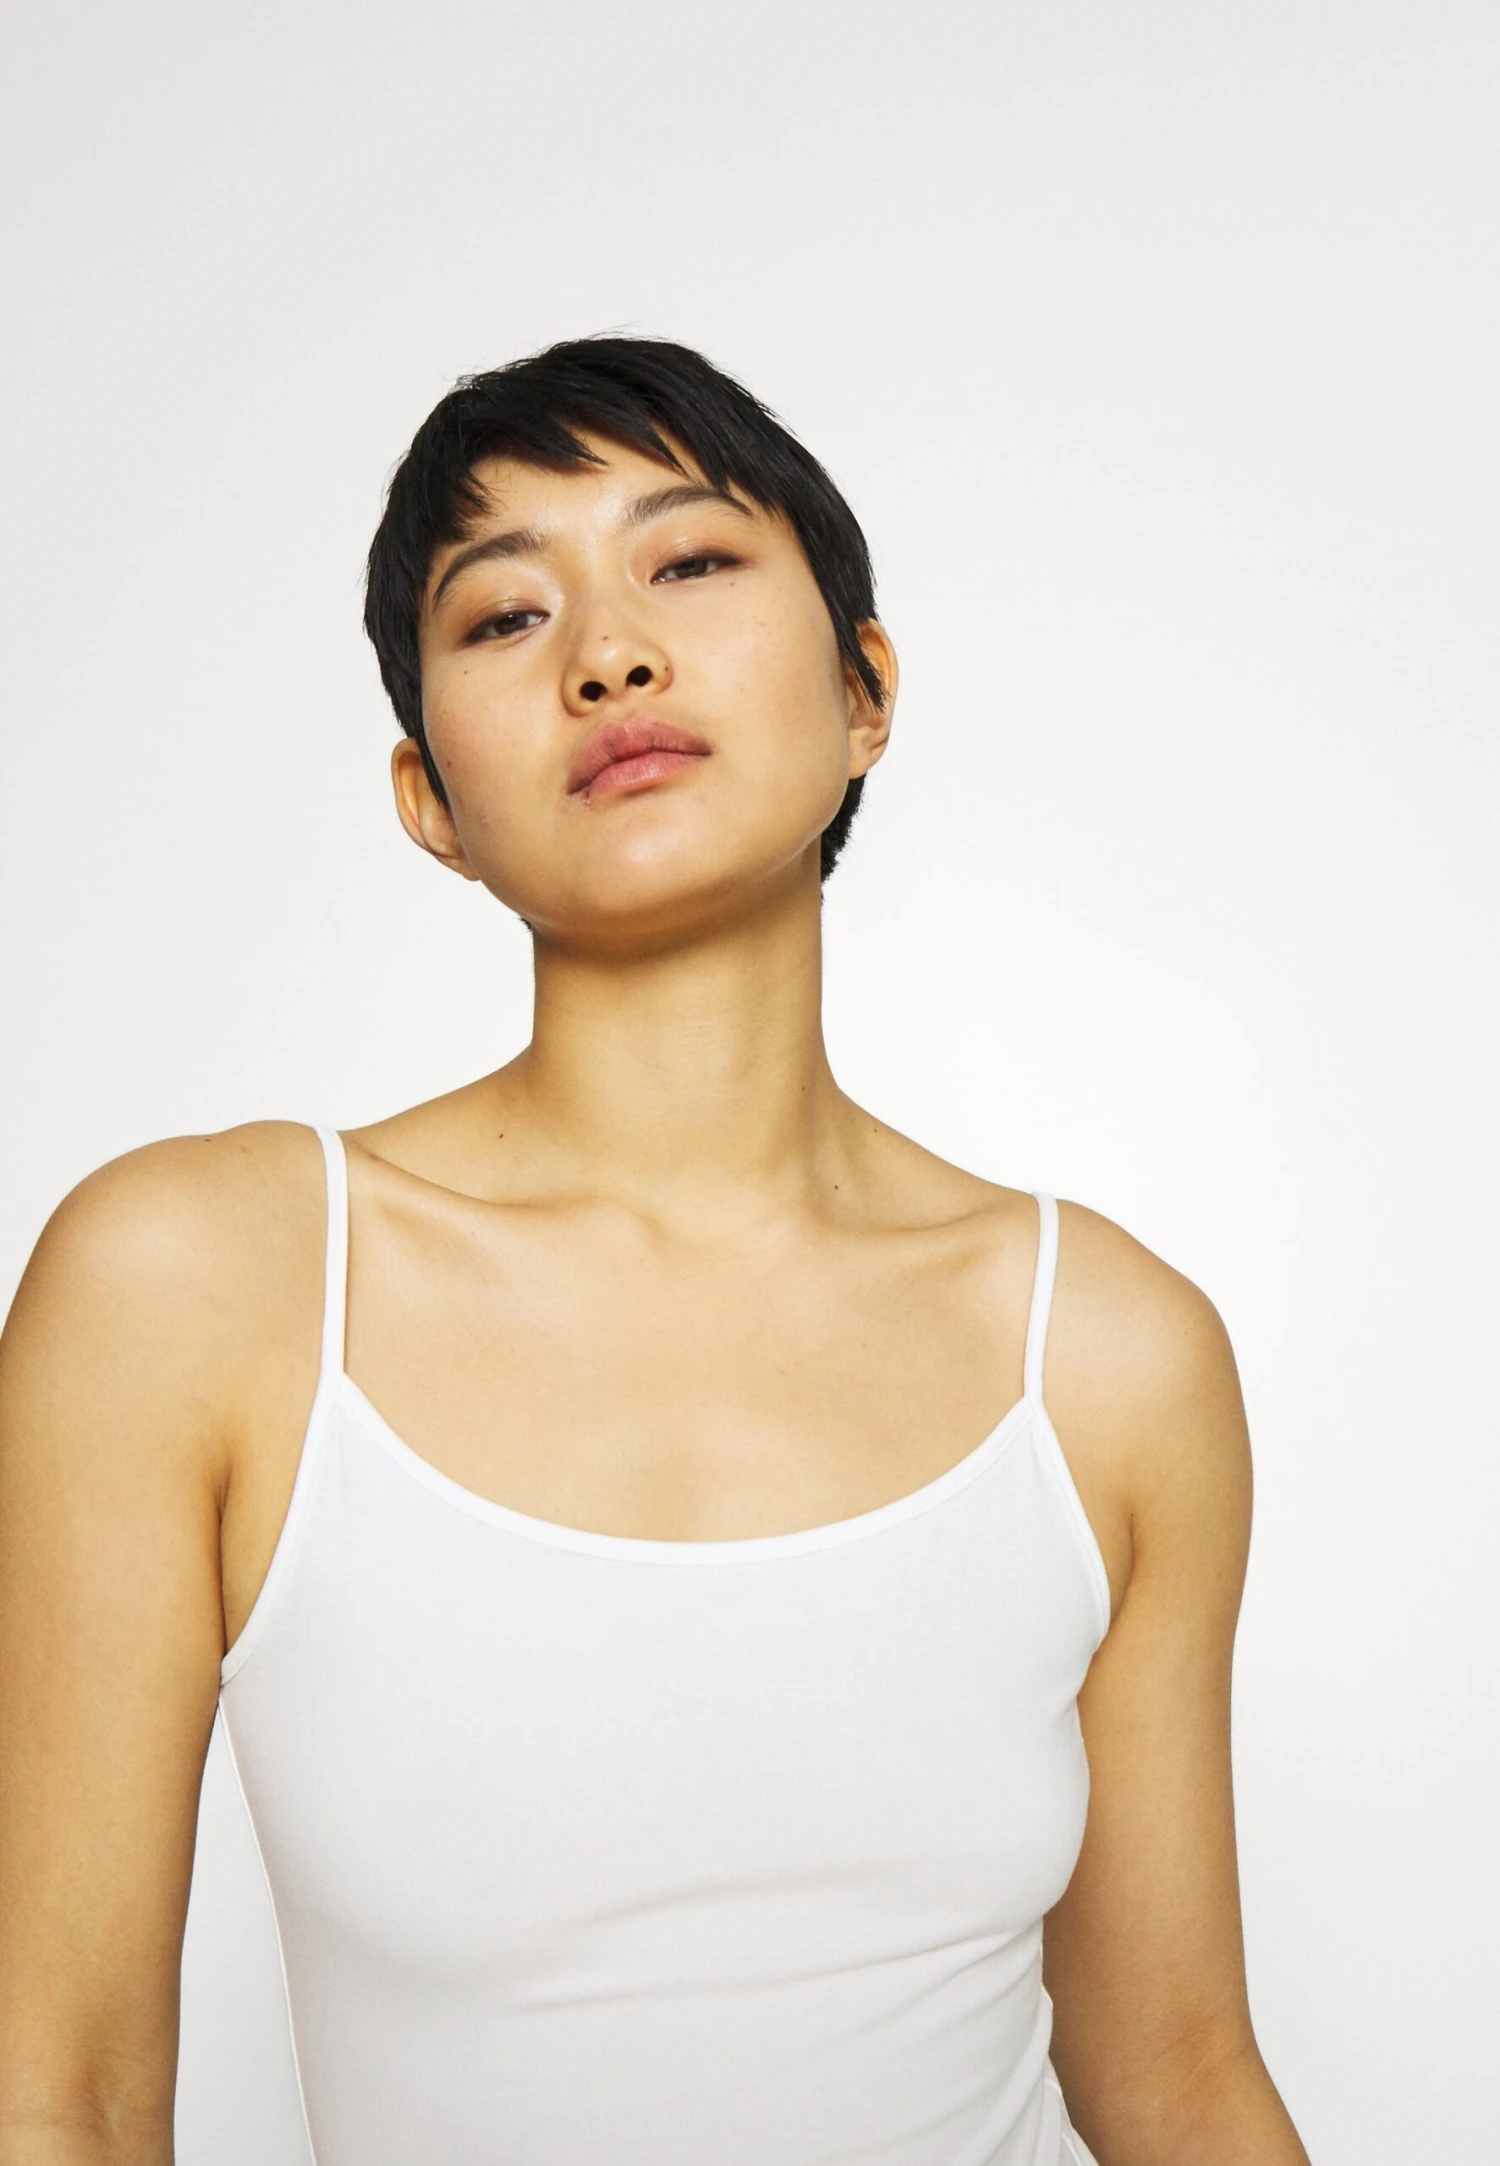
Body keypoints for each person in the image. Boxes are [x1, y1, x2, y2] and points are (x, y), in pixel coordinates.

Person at [0, 338, 1310, 2166]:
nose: (609, 654)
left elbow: (1177, 2078)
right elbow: (58, 2092)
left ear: (865, 692)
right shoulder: (197, 1289)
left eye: (687, 561)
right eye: (505, 615)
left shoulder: (1107, 1354)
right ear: (431, 802)